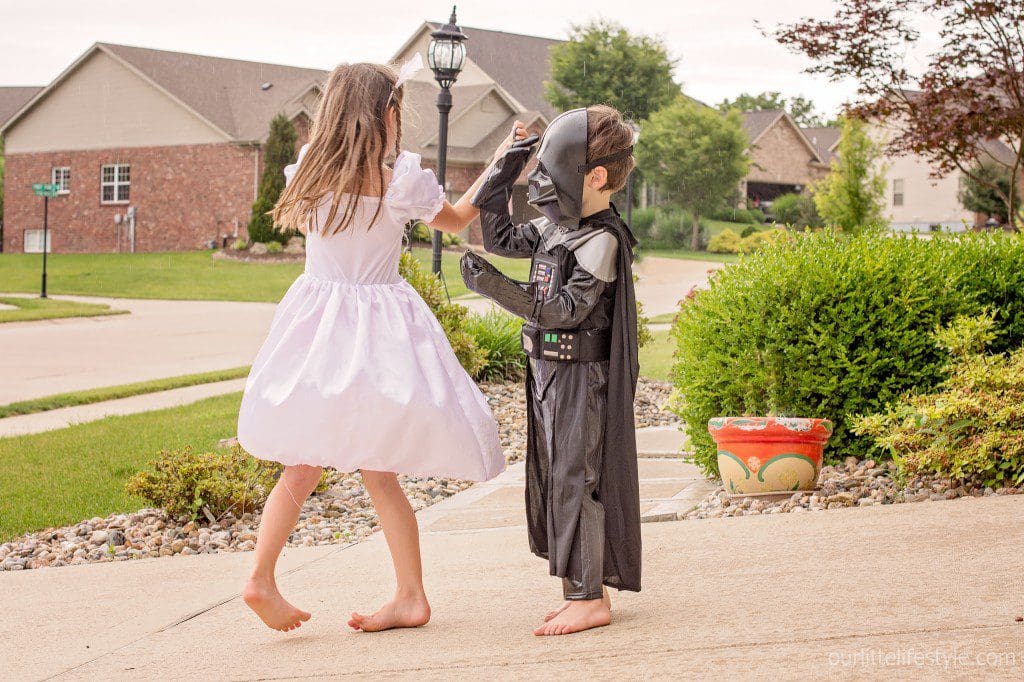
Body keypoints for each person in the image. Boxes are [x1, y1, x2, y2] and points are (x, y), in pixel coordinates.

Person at [236, 55, 526, 633]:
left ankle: (262, 577)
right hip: (378, 331)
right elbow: (459, 217)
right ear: (386, 113)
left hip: (317, 326)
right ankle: (410, 594)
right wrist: (503, 160)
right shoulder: (399, 182)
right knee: (379, 467)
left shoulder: (307, 174)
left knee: (303, 464)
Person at [460, 105, 642, 636]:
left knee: (574, 477)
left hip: (579, 378)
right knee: (559, 475)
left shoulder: (601, 239)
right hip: (547, 374)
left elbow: (566, 310)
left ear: (596, 177)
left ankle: (590, 597)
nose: (546, 184)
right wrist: (506, 164)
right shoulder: (556, 228)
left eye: (554, 170)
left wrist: (495, 288)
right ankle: (581, 591)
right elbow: (496, 235)